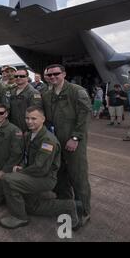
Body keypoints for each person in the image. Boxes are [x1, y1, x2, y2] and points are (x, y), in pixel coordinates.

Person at [0, 106, 79, 230]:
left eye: (33, 118)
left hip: (45, 178)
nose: (29, 121)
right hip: (34, 174)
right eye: (27, 118)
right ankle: (68, 206)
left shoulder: (47, 140)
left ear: (43, 119)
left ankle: (19, 217)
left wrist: (20, 171)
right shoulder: (31, 134)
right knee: (32, 208)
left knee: (8, 179)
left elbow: (40, 168)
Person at [43, 64, 92, 227]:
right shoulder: (47, 94)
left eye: (56, 74)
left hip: (73, 143)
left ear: (63, 74)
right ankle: (65, 206)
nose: (52, 77)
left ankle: (83, 211)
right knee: (60, 175)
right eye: (49, 75)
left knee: (78, 176)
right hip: (56, 142)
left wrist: (76, 138)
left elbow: (84, 116)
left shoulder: (76, 91)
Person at [8, 68, 42, 133]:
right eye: (16, 76)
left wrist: (30, 130)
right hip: (13, 128)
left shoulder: (33, 93)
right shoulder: (12, 91)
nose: (18, 78)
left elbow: (36, 114)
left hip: (27, 129)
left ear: (27, 78)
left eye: (22, 76)